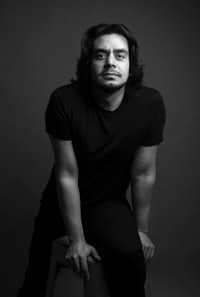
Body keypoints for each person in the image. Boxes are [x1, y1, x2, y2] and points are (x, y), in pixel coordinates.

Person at [17, 23, 166, 297]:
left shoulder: (150, 104)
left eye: (120, 55)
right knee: (34, 285)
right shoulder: (64, 101)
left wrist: (141, 230)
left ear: (131, 64)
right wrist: (77, 240)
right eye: (101, 55)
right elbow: (67, 174)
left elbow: (143, 173)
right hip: (60, 206)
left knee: (130, 255)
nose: (111, 62)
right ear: (88, 64)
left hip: (107, 203)